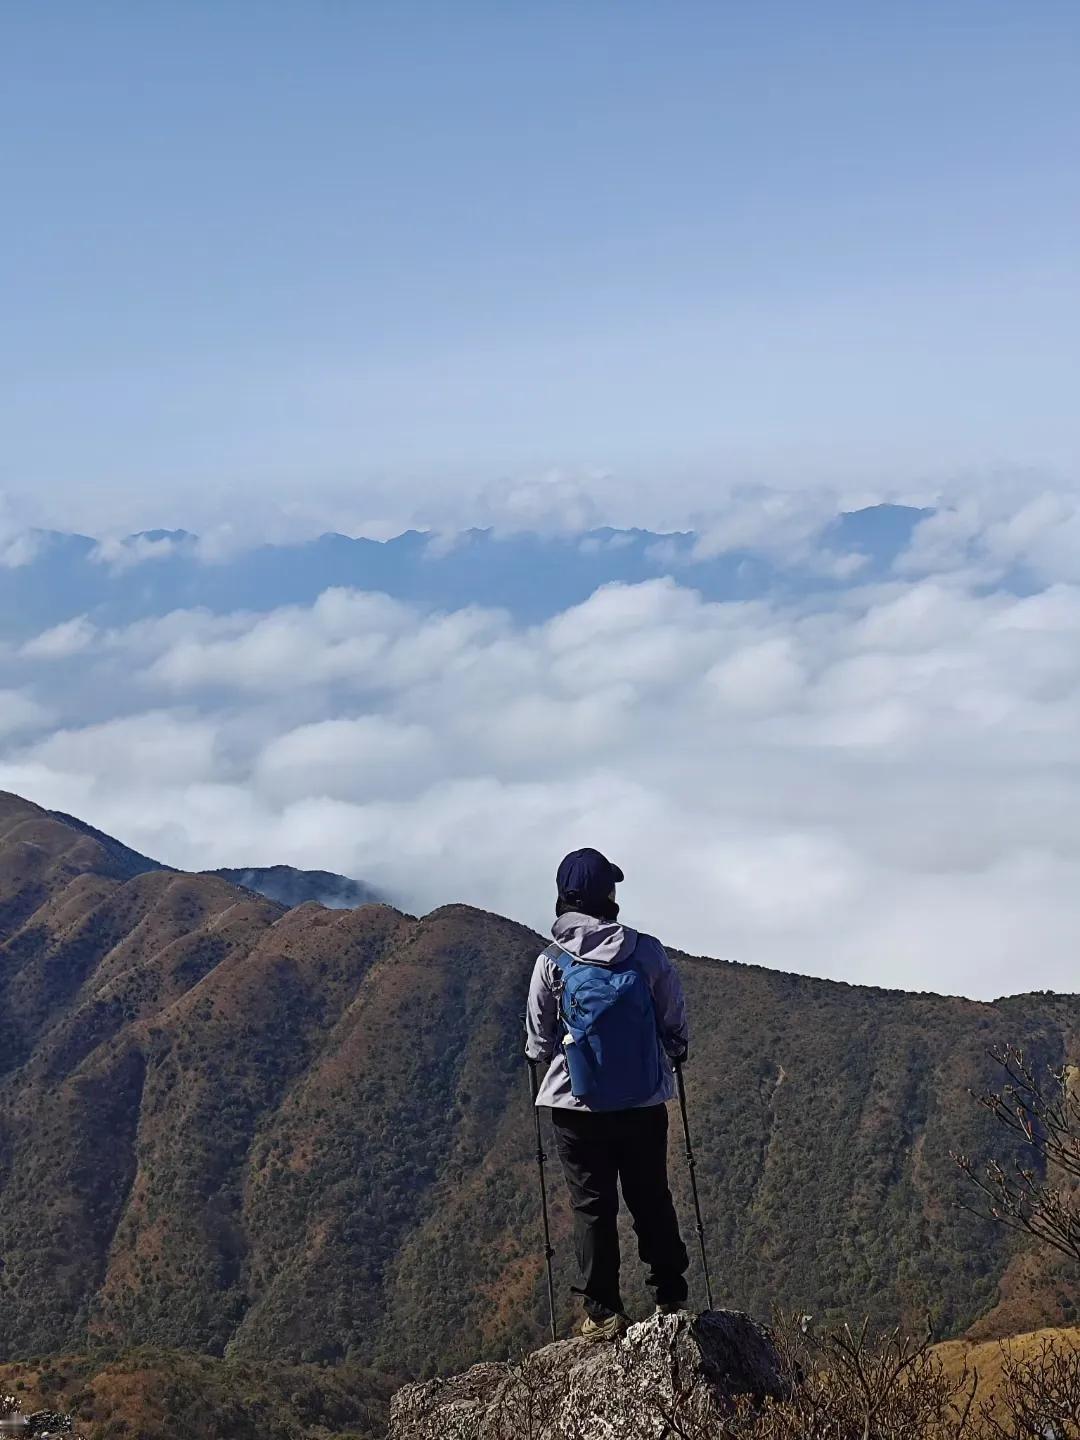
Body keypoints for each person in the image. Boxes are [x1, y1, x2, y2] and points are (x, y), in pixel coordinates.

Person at [524, 847, 691, 1341]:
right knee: (650, 1197)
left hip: (578, 1108)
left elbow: (537, 1042)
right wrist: (675, 1053)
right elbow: (673, 1022)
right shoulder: (645, 951)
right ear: (607, 895)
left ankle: (602, 1311)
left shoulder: (551, 962)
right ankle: (670, 1294)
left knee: (593, 1205)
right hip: (642, 1102)